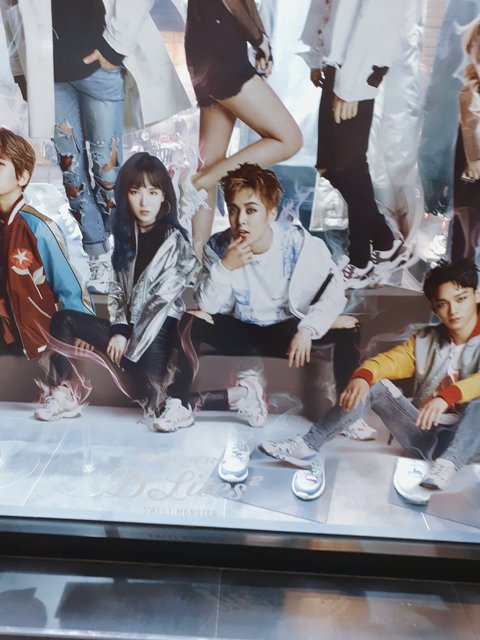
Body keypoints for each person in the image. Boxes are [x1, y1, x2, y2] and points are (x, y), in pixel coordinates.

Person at [175, 163, 362, 482]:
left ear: (271, 212)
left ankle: (347, 415)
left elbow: (333, 293)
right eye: (234, 210)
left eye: (251, 210)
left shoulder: (299, 244)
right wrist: (225, 267)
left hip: (288, 330)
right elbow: (209, 306)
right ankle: (178, 403)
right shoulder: (219, 247)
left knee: (349, 325)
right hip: (244, 332)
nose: (241, 220)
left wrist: (308, 330)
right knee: (191, 319)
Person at [2, 0, 190, 292]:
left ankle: (121, 248)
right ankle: (97, 256)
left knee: (107, 171)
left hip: (99, 67)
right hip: (50, 74)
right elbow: (10, 6)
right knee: (72, 173)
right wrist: (20, 71)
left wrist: (114, 46)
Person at [260, 258, 480, 503]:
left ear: (477, 295)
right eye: (442, 304)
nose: (453, 311)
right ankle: (307, 446)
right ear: (434, 309)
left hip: (472, 444)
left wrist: (447, 397)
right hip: (426, 434)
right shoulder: (426, 339)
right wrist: (363, 376)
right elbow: (391, 361)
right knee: (372, 384)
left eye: (461, 299)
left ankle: (450, 463)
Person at [35, 152, 200, 430]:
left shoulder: (175, 242)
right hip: (129, 337)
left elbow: (157, 302)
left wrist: (123, 334)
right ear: (125, 196)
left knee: (152, 400)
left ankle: (199, 401)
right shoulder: (125, 239)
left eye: (152, 192)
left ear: (164, 196)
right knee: (64, 319)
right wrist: (117, 330)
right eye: (135, 192)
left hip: (157, 336)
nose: (144, 202)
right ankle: (63, 392)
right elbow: (117, 293)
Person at [300, 0, 410, 287]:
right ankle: (383, 242)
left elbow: (379, 14)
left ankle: (362, 258)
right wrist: (318, 56)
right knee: (332, 167)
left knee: (348, 167)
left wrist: (354, 85)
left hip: (357, 67)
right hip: (338, 65)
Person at [182, 0, 303, 258]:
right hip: (219, 47)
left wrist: (261, 40)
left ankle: (196, 261)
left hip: (209, 44)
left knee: (211, 165)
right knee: (290, 140)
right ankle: (197, 182)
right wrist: (259, 40)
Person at [0, 127, 93, 361]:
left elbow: (69, 285)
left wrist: (84, 328)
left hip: (31, 341)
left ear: (22, 177)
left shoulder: (38, 227)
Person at [451, 17, 480, 268]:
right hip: (472, 176)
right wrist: (473, 160)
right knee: (466, 242)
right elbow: (468, 127)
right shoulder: (469, 90)